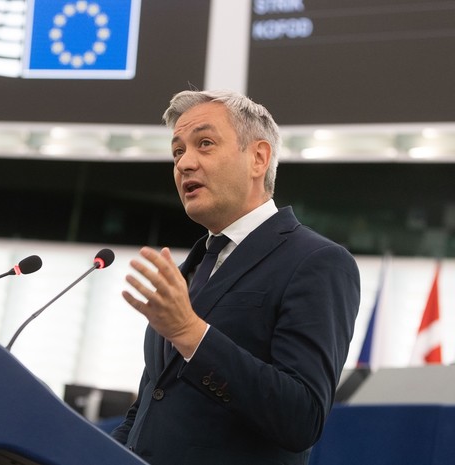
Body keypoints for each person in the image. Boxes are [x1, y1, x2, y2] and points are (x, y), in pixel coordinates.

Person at [111, 89, 361, 465]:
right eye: (177, 151)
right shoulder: (190, 269)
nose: (184, 163)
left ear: (258, 158)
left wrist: (191, 334)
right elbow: (151, 406)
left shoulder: (318, 261)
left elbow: (302, 417)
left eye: (205, 144)